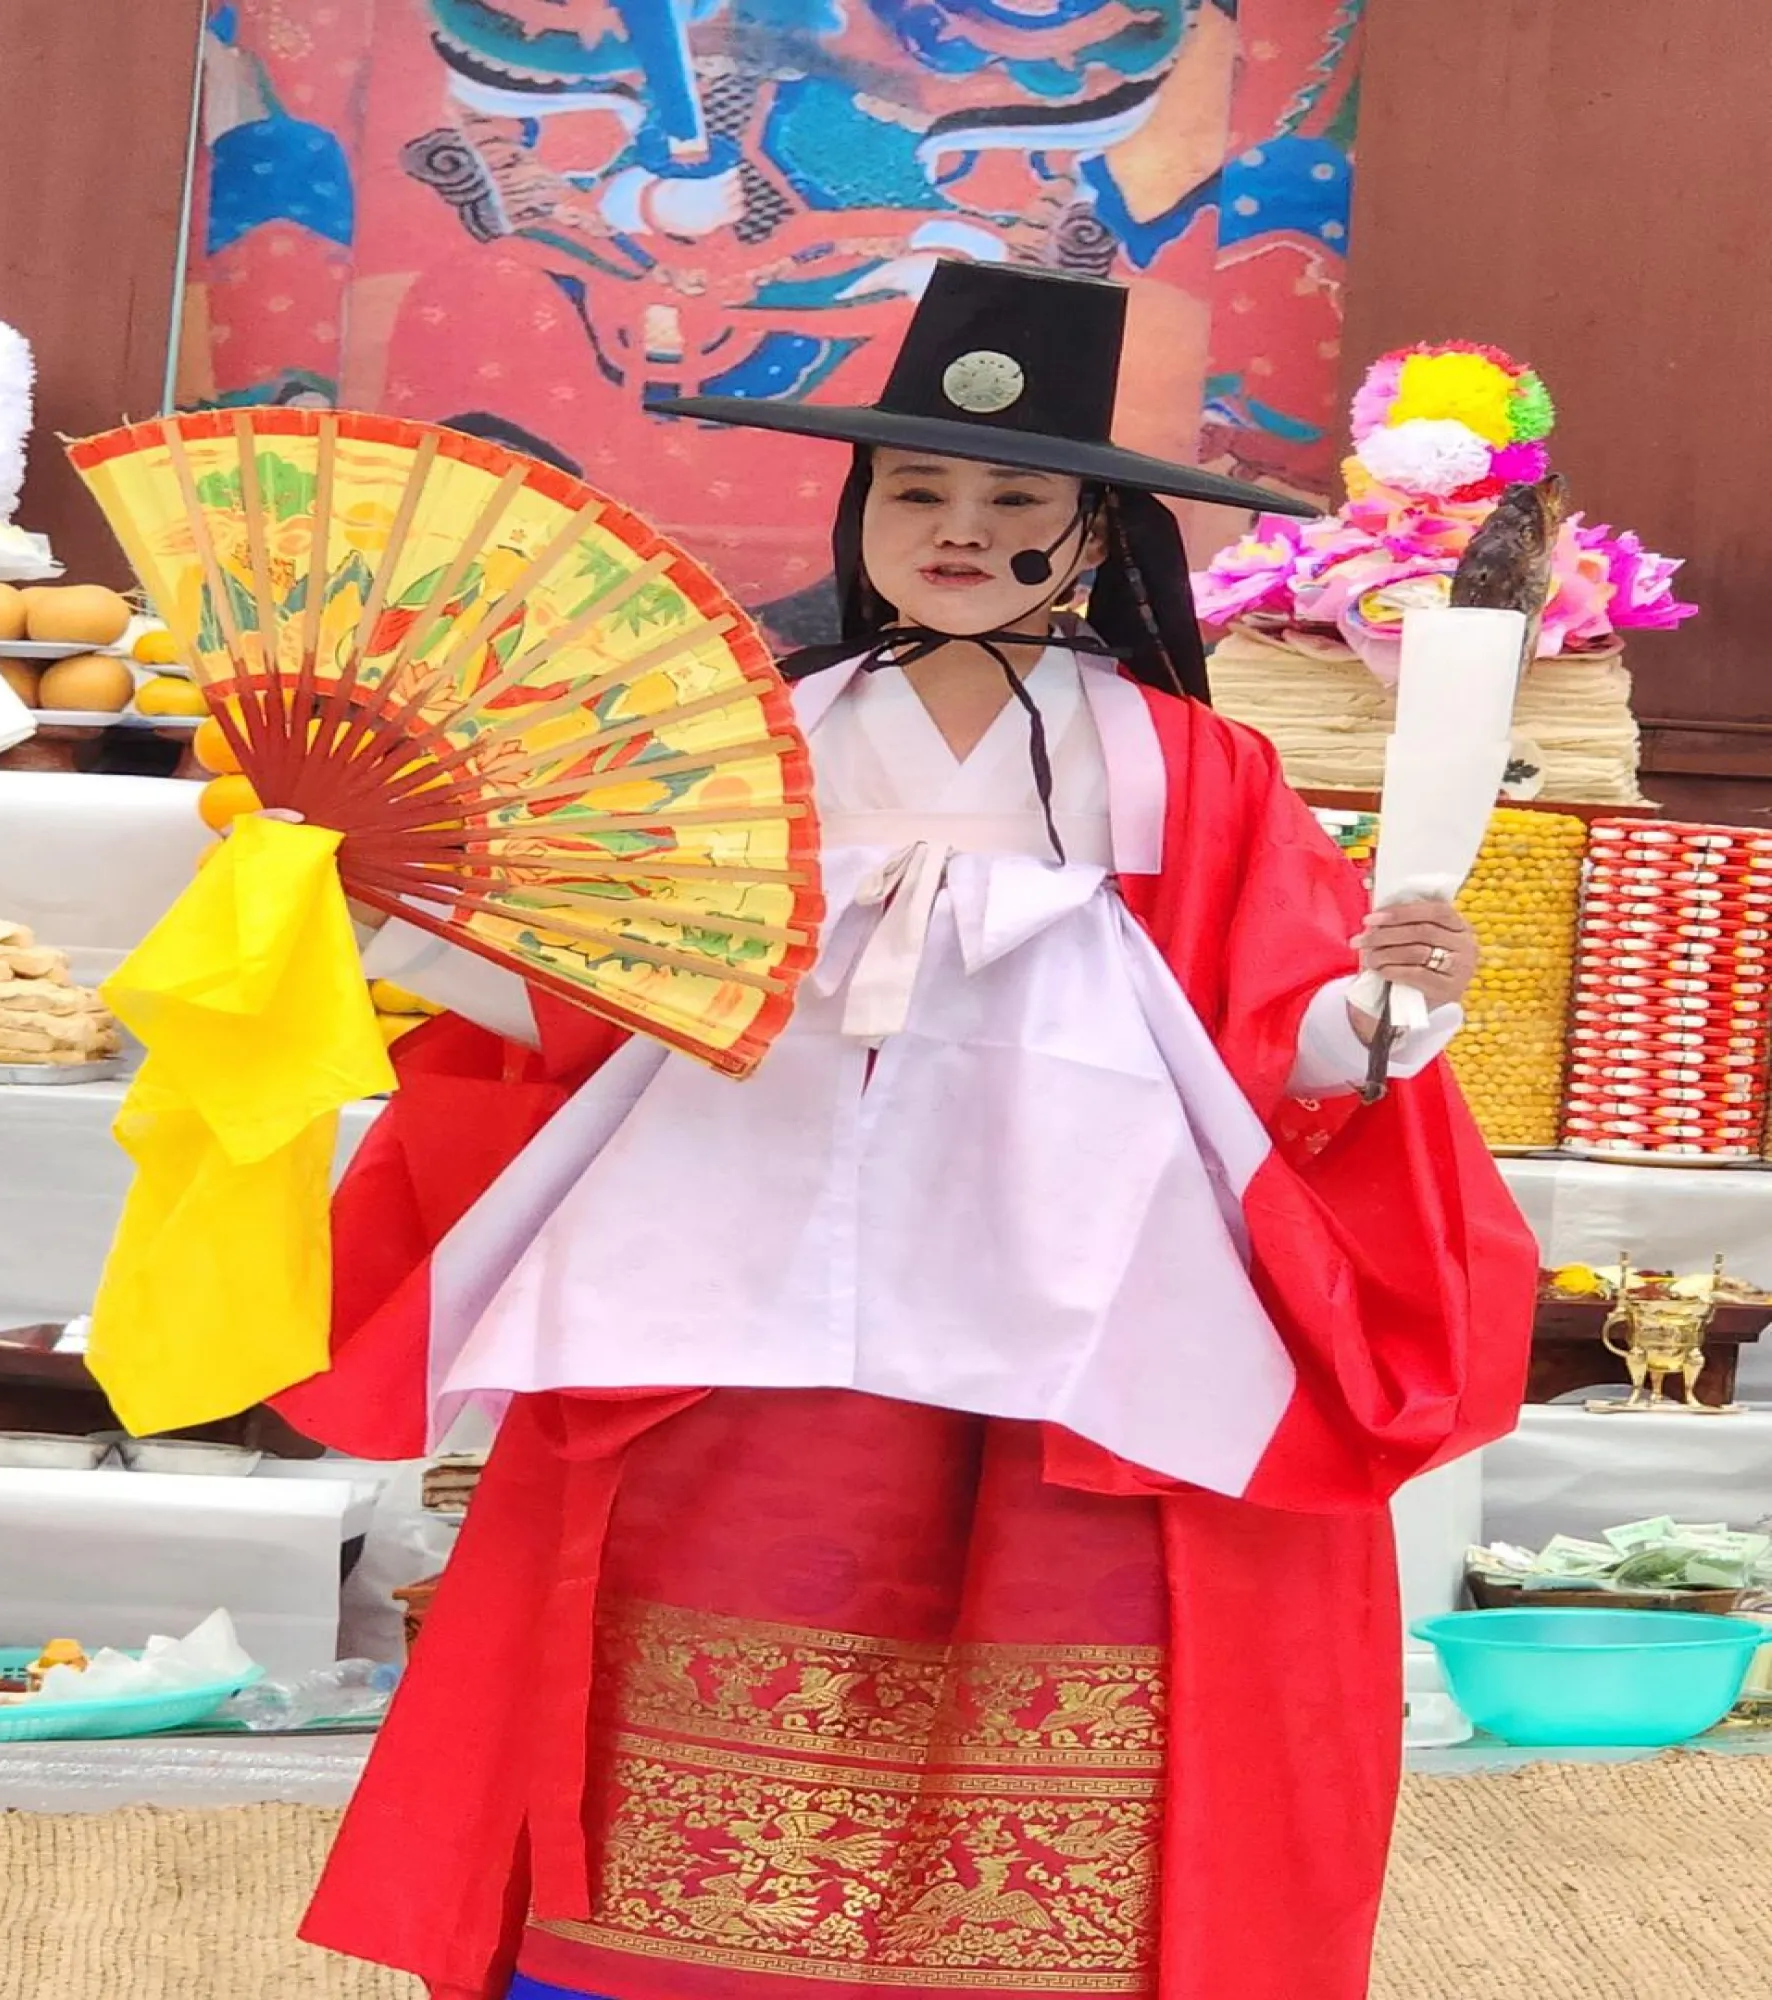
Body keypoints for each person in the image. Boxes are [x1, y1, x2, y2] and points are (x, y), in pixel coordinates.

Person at [277, 262, 1537, 2000]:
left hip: (1083, 1317)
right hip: (734, 1293)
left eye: (1014, 500)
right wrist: (388, 902)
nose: (959, 530)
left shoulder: (1190, 768)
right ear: (860, 508)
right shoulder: (743, 745)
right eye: (918, 490)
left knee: (1086, 1628)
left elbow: (1283, 1039)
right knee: (683, 1613)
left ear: (1092, 536)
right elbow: (597, 995)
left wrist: (1394, 1000)